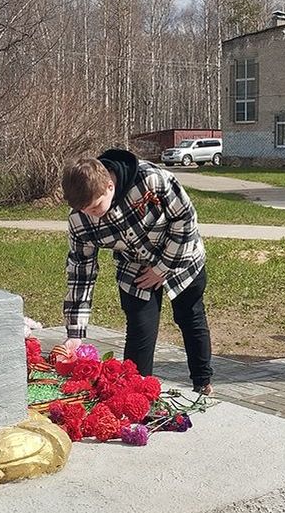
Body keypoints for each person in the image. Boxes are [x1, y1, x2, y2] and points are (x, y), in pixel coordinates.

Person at [61, 149, 214, 394]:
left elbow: (186, 220)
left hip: (180, 253)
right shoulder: (79, 221)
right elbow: (81, 272)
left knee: (190, 316)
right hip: (135, 266)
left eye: (96, 206)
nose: (93, 214)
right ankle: (137, 395)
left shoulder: (153, 180)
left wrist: (162, 268)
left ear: (109, 186)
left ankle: (202, 382)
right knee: (140, 327)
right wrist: (75, 333)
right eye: (86, 210)